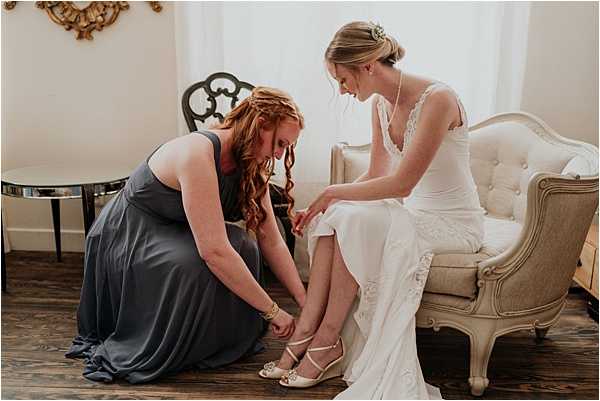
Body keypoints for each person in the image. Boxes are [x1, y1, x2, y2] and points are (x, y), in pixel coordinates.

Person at [259, 21, 484, 399]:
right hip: (414, 213)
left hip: (453, 221)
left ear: (367, 66)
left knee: (351, 214)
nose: (343, 91)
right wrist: (325, 205)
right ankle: (308, 333)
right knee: (339, 215)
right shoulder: (381, 103)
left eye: (344, 80)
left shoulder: (438, 99)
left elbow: (402, 184)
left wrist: (331, 191)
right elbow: (378, 172)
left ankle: (328, 339)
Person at [66, 86, 308, 384]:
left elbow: (270, 237)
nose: (280, 154)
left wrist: (303, 302)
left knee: (245, 246)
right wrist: (272, 312)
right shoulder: (197, 152)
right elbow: (213, 251)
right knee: (198, 261)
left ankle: (213, 340)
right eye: (280, 143)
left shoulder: (252, 163)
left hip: (176, 226)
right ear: (261, 125)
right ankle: (171, 344)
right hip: (132, 232)